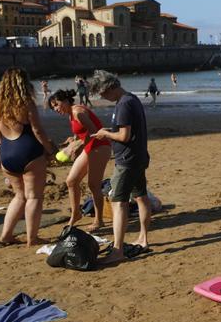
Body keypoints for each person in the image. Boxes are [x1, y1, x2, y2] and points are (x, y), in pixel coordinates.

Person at [88, 70, 151, 262]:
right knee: (141, 197)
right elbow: (127, 132)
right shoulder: (131, 99)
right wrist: (108, 131)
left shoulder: (124, 104)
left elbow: (124, 136)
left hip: (127, 160)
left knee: (118, 201)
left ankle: (117, 251)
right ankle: (143, 238)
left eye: (103, 93)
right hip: (138, 156)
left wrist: (106, 134)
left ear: (110, 87)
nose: (103, 97)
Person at [0, 67, 57, 246]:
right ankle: (32, 238)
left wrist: (4, 149)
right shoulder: (27, 103)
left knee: (19, 196)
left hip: (7, 152)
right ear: (24, 83)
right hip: (28, 151)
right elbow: (37, 130)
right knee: (34, 196)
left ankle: (6, 235)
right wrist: (49, 149)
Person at [48, 89, 110, 231]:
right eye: (53, 108)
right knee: (71, 181)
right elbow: (83, 132)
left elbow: (95, 131)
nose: (56, 109)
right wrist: (72, 141)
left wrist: (77, 146)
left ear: (65, 100)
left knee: (94, 185)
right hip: (90, 147)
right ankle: (76, 214)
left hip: (100, 147)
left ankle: (99, 220)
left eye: (56, 105)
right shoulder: (71, 114)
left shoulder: (78, 112)